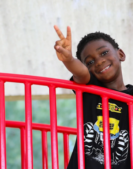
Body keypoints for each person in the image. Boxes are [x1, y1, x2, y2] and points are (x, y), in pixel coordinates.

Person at [54, 25, 131, 168]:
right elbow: (81, 74)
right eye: (90, 62)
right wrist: (69, 59)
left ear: (120, 54)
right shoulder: (90, 90)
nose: (99, 61)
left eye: (104, 53)